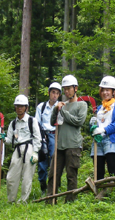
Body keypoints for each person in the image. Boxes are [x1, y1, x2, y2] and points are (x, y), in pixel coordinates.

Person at [46, 74, 88, 203]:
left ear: (75, 88)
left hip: (73, 144)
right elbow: (53, 122)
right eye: (64, 89)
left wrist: (63, 110)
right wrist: (56, 110)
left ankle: (70, 200)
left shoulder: (82, 105)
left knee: (71, 174)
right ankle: (50, 200)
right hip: (59, 144)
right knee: (53, 174)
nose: (66, 91)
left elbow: (78, 121)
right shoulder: (62, 105)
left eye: (69, 88)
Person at [0, 95, 41, 203]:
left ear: (26, 107)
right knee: (11, 177)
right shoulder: (13, 123)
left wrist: (35, 152)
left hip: (29, 148)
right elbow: (9, 140)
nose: (19, 108)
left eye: (22, 106)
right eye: (17, 106)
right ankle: (11, 200)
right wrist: (4, 139)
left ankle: (23, 201)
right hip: (17, 150)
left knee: (27, 178)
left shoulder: (32, 121)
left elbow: (37, 137)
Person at [90, 76, 115, 200]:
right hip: (98, 142)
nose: (105, 92)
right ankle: (100, 195)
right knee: (98, 170)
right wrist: (92, 124)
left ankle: (113, 195)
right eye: (103, 90)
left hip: (111, 140)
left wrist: (103, 130)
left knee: (112, 168)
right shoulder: (99, 108)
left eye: (108, 90)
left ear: (113, 91)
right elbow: (94, 126)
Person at [35, 82, 61, 195]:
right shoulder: (41, 107)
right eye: (53, 92)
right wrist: (40, 137)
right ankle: (43, 186)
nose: (54, 95)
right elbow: (37, 123)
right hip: (43, 135)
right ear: (49, 93)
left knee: (55, 161)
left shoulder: (61, 106)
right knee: (42, 162)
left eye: (57, 93)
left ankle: (55, 185)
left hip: (56, 135)